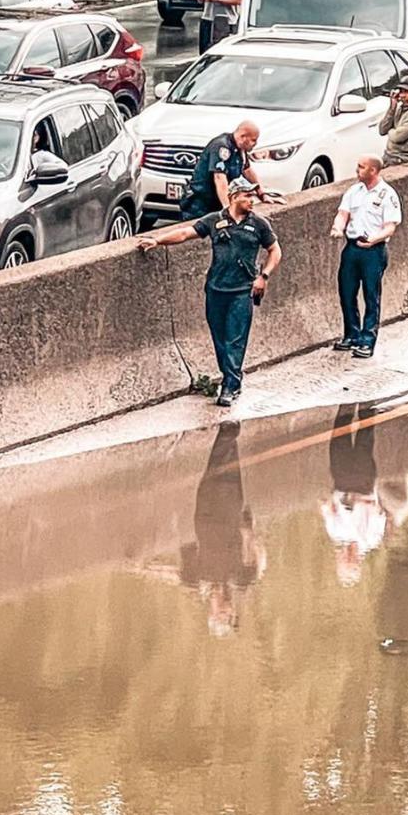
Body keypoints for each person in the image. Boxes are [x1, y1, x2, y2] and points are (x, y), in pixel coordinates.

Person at [138, 177, 282, 406]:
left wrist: (263, 276)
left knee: (236, 338)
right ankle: (231, 376)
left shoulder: (259, 224)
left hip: (242, 290)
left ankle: (230, 385)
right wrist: (157, 240)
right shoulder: (215, 221)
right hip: (216, 289)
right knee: (219, 338)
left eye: (253, 196)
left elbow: (275, 251)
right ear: (234, 197)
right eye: (247, 196)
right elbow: (185, 233)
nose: (251, 200)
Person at [179, 423, 267, 637]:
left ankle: (228, 431)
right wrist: (250, 536)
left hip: (206, 516)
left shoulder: (197, 581)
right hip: (230, 514)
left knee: (214, 472)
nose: (225, 610)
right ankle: (229, 431)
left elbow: (186, 548)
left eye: (221, 615)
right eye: (228, 615)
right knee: (230, 471)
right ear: (233, 612)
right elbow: (260, 561)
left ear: (212, 613)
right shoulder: (240, 581)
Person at [320, 403, 408, 586]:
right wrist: (359, 502)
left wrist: (327, 506)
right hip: (362, 483)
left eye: (343, 561)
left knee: (339, 435)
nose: (344, 556)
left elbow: (327, 508)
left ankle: (346, 405)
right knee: (365, 437)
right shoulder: (371, 539)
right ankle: (367, 406)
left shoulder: (336, 533)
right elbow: (379, 511)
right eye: (347, 561)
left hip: (342, 480)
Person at [329, 155, 402, 359]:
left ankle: (367, 340)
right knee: (347, 292)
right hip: (352, 247)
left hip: (373, 250)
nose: (357, 170)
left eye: (361, 167)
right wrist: (338, 227)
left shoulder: (387, 194)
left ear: (373, 171)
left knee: (371, 295)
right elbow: (343, 213)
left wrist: (374, 239)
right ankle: (351, 334)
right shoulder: (354, 191)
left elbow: (390, 226)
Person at [180, 121, 266, 222]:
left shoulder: (240, 149)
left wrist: (262, 194)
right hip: (200, 204)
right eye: (253, 140)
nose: (255, 144)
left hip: (216, 202)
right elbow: (220, 178)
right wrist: (228, 208)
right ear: (243, 137)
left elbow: (247, 171)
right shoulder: (222, 146)